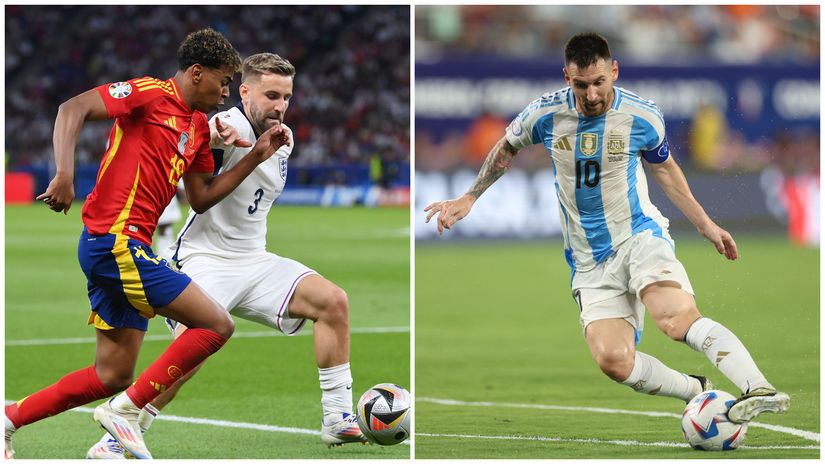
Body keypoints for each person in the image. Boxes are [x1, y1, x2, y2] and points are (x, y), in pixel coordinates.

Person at [424, 32, 789, 423]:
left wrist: (705, 224)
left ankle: (758, 387)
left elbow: (665, 169)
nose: (592, 94)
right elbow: (506, 148)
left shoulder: (642, 116)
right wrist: (469, 197)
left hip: (638, 236)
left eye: (599, 82)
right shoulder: (544, 114)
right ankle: (697, 391)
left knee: (675, 318)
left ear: (614, 71)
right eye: (581, 85)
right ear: (567, 77)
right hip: (588, 260)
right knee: (614, 360)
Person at [5, 29, 290, 459]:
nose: (227, 91)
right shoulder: (149, 93)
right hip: (113, 243)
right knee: (216, 324)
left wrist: (255, 157)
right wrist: (64, 173)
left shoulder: (195, 128)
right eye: (223, 81)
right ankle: (127, 412)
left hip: (129, 249)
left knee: (112, 373)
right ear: (197, 73)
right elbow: (72, 108)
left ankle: (8, 420)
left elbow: (202, 197)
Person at [86, 52, 365, 459]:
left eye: (286, 97)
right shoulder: (229, 123)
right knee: (192, 352)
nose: (280, 106)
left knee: (333, 302)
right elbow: (210, 132)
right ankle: (116, 436)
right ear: (245, 91)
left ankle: (338, 418)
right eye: (271, 95)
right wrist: (215, 132)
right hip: (205, 259)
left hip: (254, 259)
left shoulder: (283, 136)